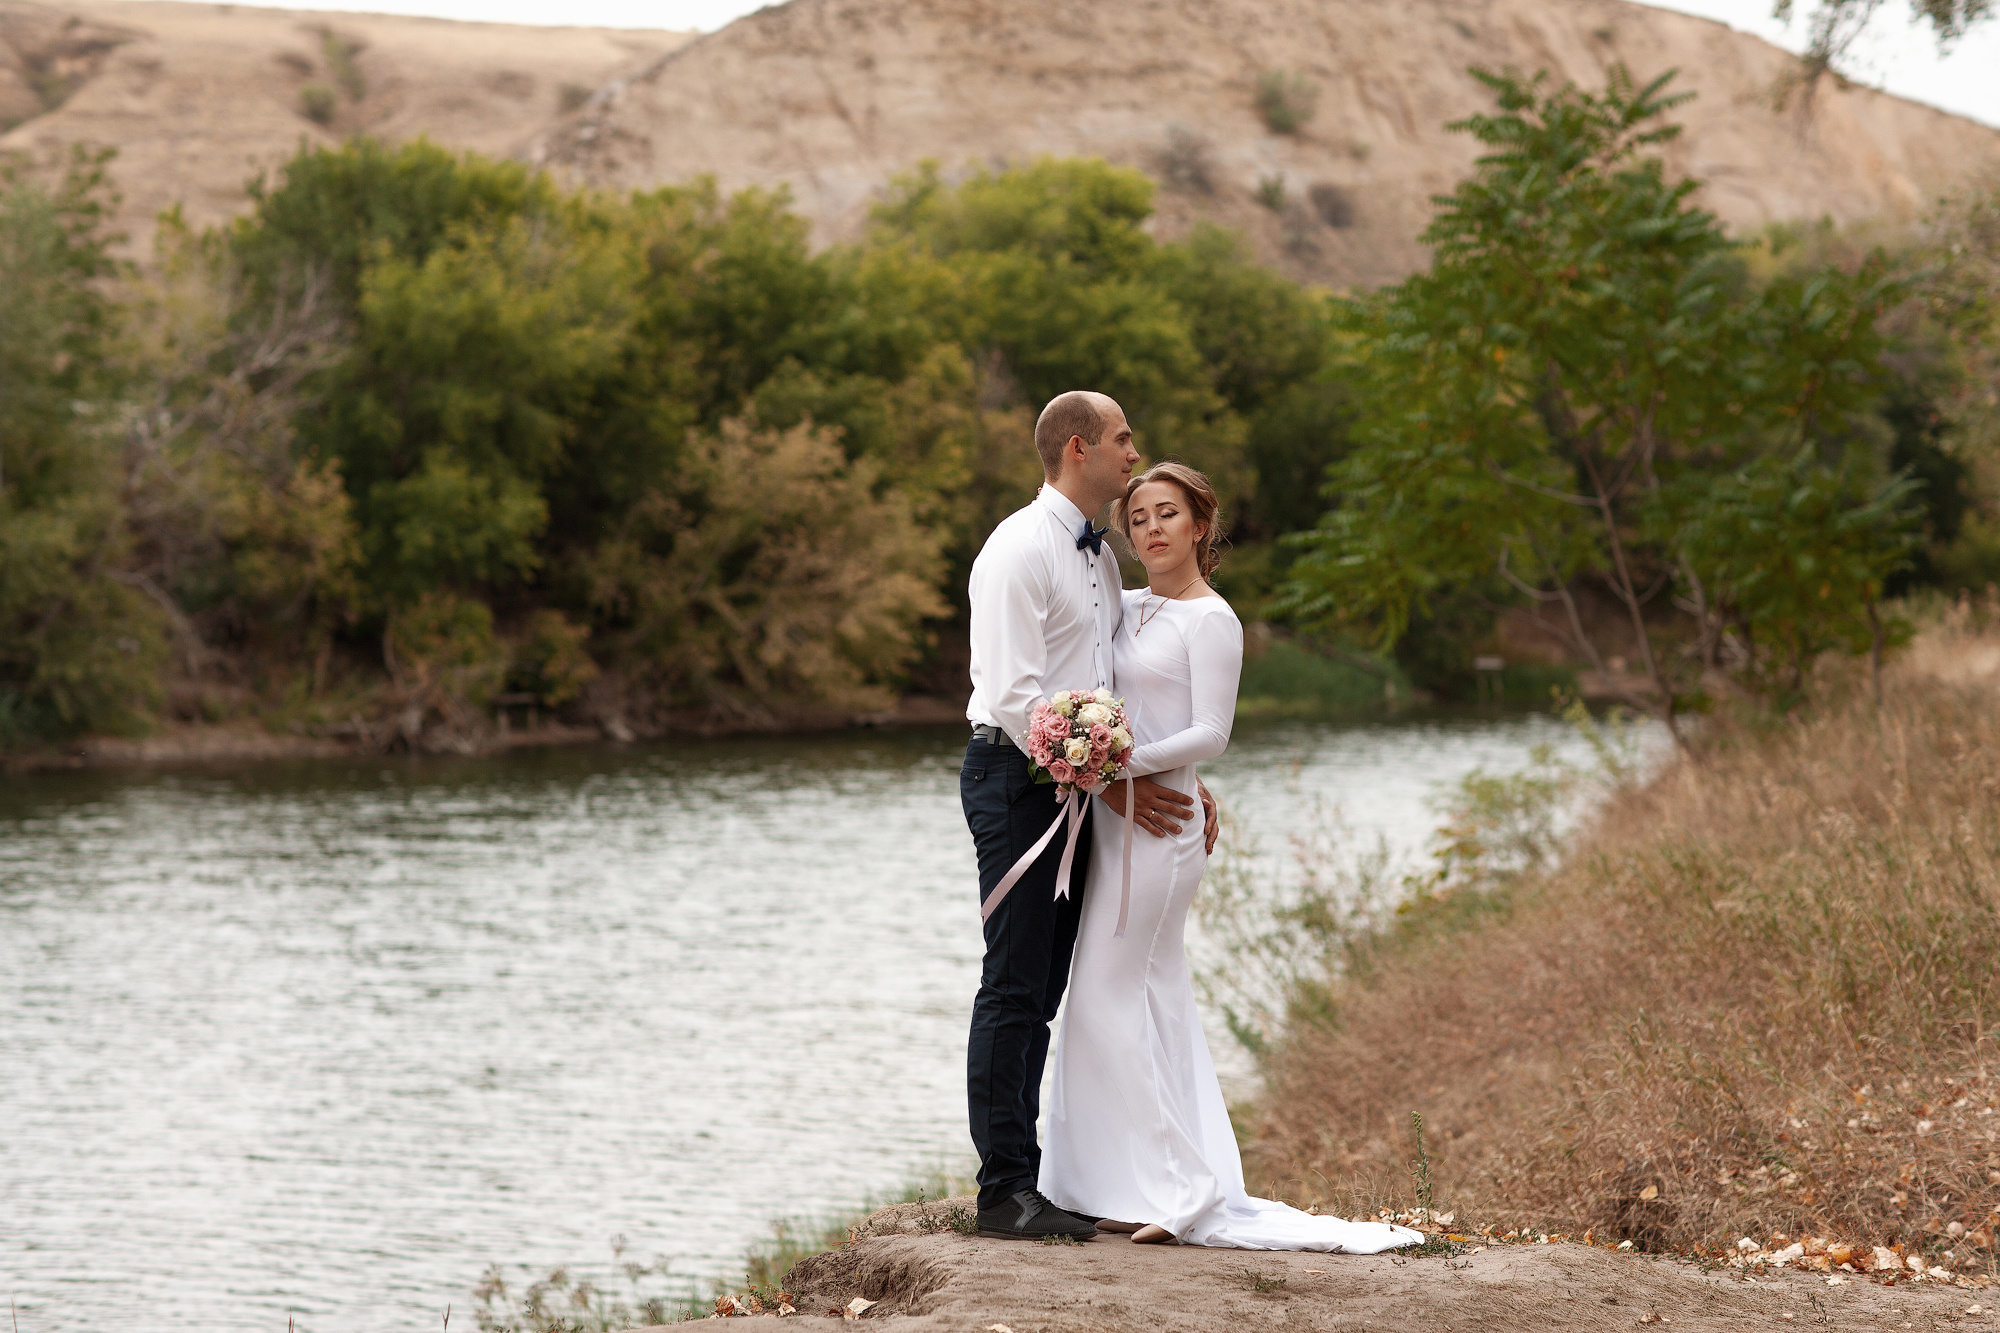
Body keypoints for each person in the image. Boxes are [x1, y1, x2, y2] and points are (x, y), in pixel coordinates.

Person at [1037, 461, 1423, 1254]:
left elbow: (1211, 731)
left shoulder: (1213, 620)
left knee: (1114, 994)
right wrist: (1099, 760)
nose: (1150, 528)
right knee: (1136, 997)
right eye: (1138, 515)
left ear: (1200, 527)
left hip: (1162, 827)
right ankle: (1111, 1184)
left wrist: (1117, 762)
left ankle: (1184, 1192)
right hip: (1118, 821)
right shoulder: (1130, 603)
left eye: (1167, 513)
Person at [961, 391, 1217, 1242]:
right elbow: (1012, 695)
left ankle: (1035, 1180)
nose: (1133, 454)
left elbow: (1111, 681)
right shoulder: (1017, 549)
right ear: (1080, 449)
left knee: (1048, 987)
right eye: (1122, 441)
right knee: (1013, 981)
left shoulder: (1100, 558)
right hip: (1017, 780)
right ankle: (1001, 1190)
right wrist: (1110, 784)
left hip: (1084, 785)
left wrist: (1171, 772)